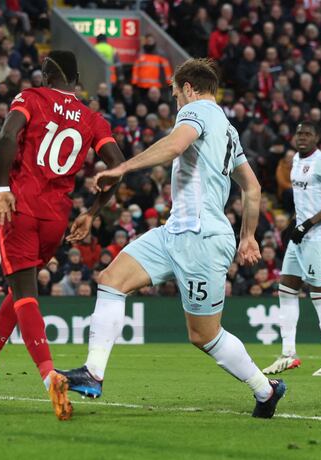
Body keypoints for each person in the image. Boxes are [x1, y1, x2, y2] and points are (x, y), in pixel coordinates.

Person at [60, 58, 285, 419]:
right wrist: (248, 237)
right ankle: (93, 373)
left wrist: (120, 167)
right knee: (112, 281)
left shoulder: (196, 111)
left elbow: (174, 147)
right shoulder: (228, 129)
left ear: (190, 89)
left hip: (201, 237)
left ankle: (265, 389)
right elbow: (253, 188)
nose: (175, 99)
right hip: (175, 231)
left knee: (204, 336)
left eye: (175, 91)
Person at [0, 50, 125, 421]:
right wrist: (92, 212)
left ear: (48, 74)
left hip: (21, 207)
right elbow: (118, 167)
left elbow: (8, 136)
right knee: (20, 287)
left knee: (25, 294)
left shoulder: (31, 97)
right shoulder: (91, 118)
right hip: (57, 218)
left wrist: (2, 188)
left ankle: (48, 376)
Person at [262, 122, 321, 377]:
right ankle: (288, 354)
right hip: (301, 235)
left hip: (319, 236)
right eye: (299, 133)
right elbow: (305, 203)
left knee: (319, 295)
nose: (302, 137)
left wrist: (308, 224)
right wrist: (293, 226)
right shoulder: (295, 162)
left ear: (317, 138)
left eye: (308, 134)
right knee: (286, 290)